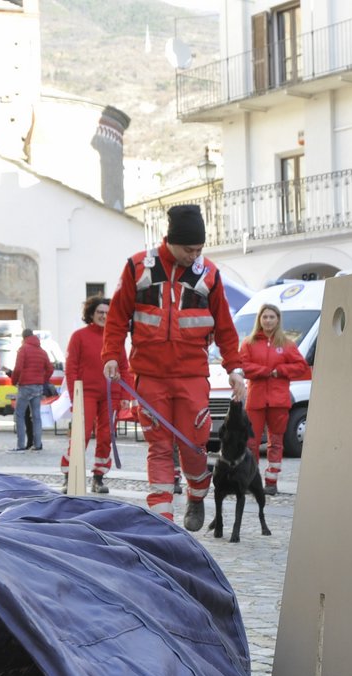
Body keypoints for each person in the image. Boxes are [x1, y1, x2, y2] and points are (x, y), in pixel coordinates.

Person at [101, 203, 245, 529]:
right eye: (188, 249)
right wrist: (111, 355)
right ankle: (162, 520)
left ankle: (196, 495)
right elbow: (116, 318)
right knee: (160, 446)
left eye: (199, 249)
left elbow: (225, 327)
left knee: (194, 446)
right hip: (149, 377)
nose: (194, 255)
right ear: (170, 240)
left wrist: (235, 368)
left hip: (192, 376)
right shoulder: (138, 267)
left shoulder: (209, 274)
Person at [238, 303, 308, 496]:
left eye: (272, 317)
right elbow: (243, 366)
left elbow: (300, 366)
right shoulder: (248, 343)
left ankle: (271, 481)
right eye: (265, 317)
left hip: (279, 400)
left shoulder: (286, 344)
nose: (268, 320)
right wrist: (265, 372)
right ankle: (252, 480)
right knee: (251, 443)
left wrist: (280, 371)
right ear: (259, 319)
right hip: (256, 400)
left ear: (278, 320)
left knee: (276, 442)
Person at [61, 295, 121, 493]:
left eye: (107, 313)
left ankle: (98, 477)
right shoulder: (79, 336)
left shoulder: (115, 337)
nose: (104, 316)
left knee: (106, 436)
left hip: (111, 394)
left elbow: (125, 368)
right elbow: (71, 368)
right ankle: (70, 476)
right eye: (100, 312)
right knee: (81, 434)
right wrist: (73, 395)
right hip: (85, 393)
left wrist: (126, 397)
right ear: (91, 314)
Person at [12, 329, 53, 451]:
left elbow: (18, 368)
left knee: (19, 414)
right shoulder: (42, 351)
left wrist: (14, 381)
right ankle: (38, 444)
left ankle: (20, 445)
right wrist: (42, 379)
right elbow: (50, 369)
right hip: (38, 387)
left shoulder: (23, 349)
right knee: (36, 416)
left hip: (25, 386)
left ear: (24, 338)